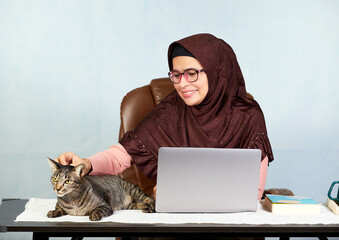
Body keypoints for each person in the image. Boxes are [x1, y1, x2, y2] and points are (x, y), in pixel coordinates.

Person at [56, 33, 274, 200]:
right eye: (176, 75)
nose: (182, 84)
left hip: (231, 226)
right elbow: (119, 157)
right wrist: (86, 164)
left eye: (192, 73)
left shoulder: (248, 116)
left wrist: (184, 193)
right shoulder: (170, 111)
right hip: (174, 222)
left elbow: (253, 192)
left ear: (217, 72)